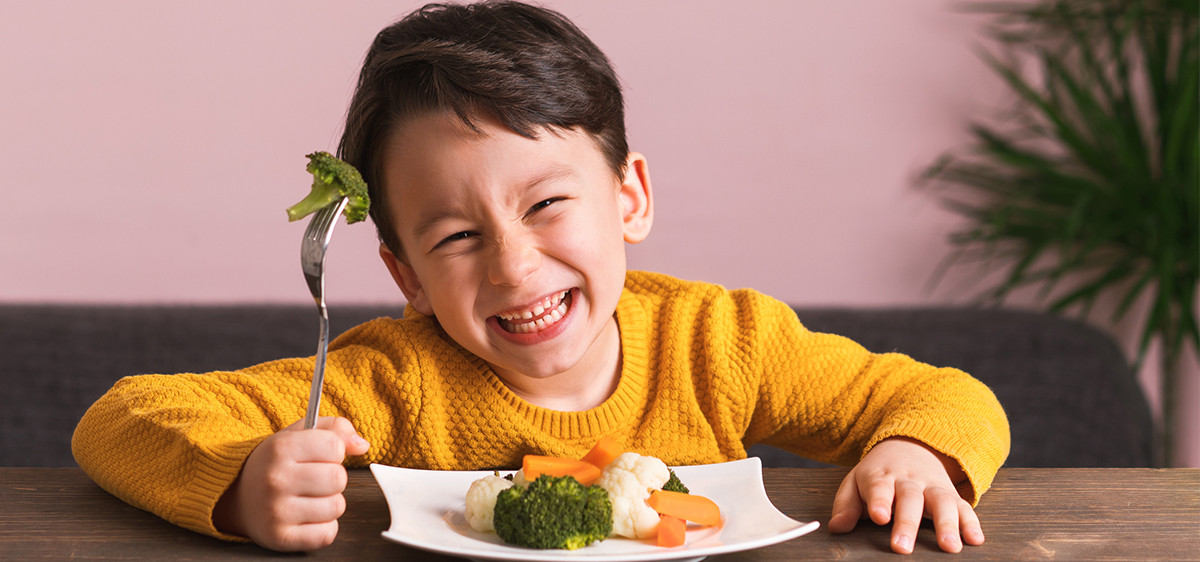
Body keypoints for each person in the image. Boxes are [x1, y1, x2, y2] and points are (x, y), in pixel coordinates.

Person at [73, 1, 1009, 556]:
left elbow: (944, 394)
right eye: (453, 237)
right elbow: (118, 422)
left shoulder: (722, 344)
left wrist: (920, 453)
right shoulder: (386, 383)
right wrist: (242, 485)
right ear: (403, 273)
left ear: (629, 196)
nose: (515, 267)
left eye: (548, 205)